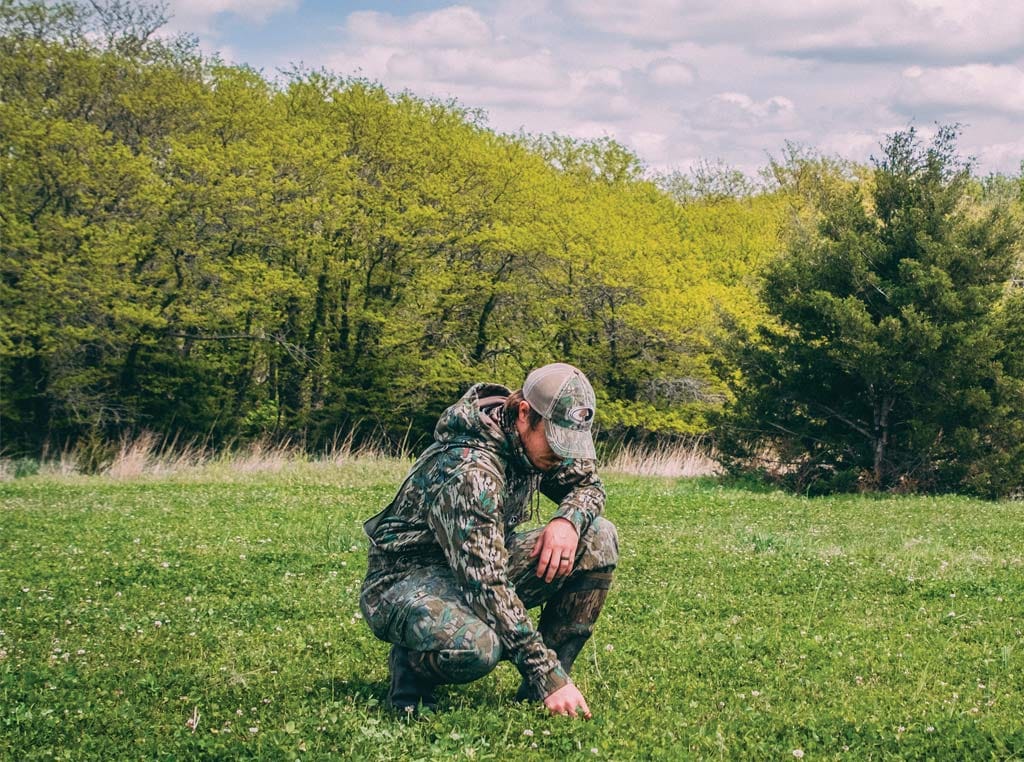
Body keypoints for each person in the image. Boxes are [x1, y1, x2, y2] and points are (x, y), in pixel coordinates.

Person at [359, 363, 618, 718]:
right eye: (556, 440)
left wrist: (567, 521)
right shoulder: (470, 471)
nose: (562, 454)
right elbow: (486, 585)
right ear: (525, 413)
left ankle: (538, 697)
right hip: (406, 581)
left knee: (598, 537)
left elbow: (588, 484)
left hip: (481, 562)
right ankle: (412, 671)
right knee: (478, 646)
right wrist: (546, 673)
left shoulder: (531, 442)